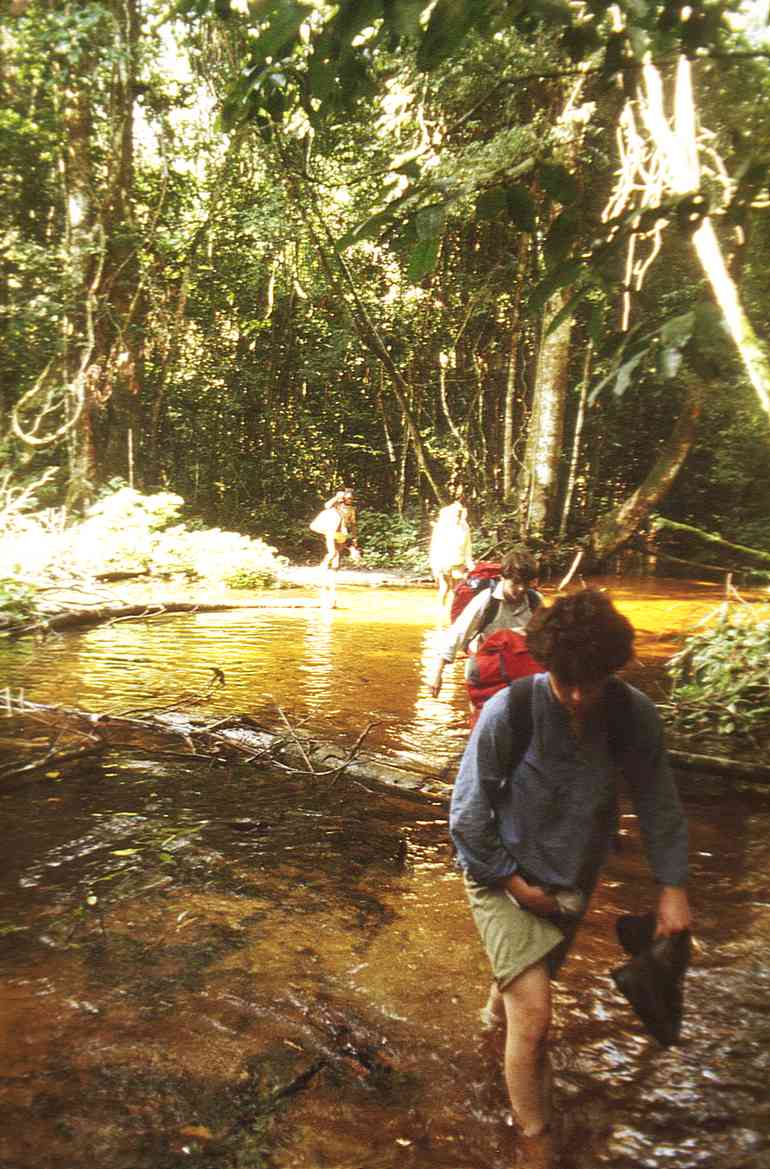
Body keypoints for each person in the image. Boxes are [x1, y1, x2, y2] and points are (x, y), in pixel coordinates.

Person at [448, 590, 691, 1169]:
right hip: (499, 868)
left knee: (518, 995)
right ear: (547, 665)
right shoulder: (513, 709)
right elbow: (466, 813)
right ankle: (536, 1143)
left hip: (571, 877)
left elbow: (658, 803)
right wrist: (511, 882)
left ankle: (491, 1029)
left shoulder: (634, 716)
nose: (579, 696)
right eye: (566, 681)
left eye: (593, 682)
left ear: (614, 671)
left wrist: (673, 887)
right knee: (536, 1018)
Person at [429, 548, 542, 705]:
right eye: (515, 583)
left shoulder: (534, 601)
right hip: (485, 672)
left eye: (525, 584)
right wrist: (437, 673)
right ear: (503, 578)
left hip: (518, 671)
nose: (521, 589)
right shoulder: (487, 600)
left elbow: (546, 640)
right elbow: (457, 634)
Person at [429, 488, 474, 613]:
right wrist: (435, 566)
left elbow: (468, 547)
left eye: (460, 513)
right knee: (444, 588)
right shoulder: (441, 526)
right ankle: (440, 613)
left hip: (458, 562)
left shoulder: (464, 526)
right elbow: (435, 546)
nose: (459, 515)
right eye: (457, 513)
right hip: (443, 562)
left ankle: (453, 611)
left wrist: (470, 564)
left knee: (458, 589)